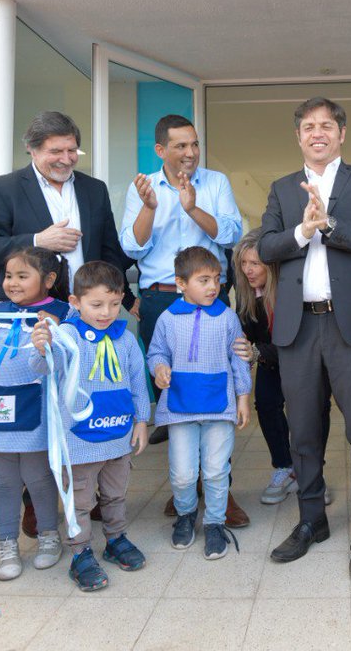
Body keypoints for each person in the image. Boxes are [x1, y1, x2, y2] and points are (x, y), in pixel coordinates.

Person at [259, 96, 351, 579]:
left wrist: (329, 225)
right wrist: (301, 230)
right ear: (298, 136)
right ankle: (311, 521)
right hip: (298, 328)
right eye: (309, 127)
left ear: (341, 134)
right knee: (305, 433)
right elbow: (266, 245)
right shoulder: (280, 188)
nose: (318, 133)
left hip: (350, 324)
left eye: (327, 126)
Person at [119, 114, 242, 466]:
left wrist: (192, 208)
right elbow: (132, 247)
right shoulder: (143, 188)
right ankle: (183, 487)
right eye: (181, 145)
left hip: (208, 298)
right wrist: (149, 208)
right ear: (161, 149)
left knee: (216, 388)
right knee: (171, 395)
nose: (191, 152)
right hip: (160, 299)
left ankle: (221, 486)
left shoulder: (215, 183)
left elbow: (230, 234)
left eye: (195, 144)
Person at [0, 246, 72, 581]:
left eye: (23, 275)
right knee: (4, 480)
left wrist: (53, 337)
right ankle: (7, 544)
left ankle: (49, 535)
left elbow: (68, 362)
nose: (13, 283)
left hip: (36, 412)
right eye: (8, 276)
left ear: (48, 279)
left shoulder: (62, 314)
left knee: (37, 475)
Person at [30, 261, 150, 591]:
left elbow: (138, 383)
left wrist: (141, 421)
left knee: (115, 494)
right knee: (79, 501)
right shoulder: (66, 335)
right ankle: (81, 552)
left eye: (114, 304)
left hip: (118, 437)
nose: (106, 312)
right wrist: (42, 346)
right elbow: (41, 367)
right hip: (80, 442)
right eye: (96, 304)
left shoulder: (125, 339)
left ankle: (116, 539)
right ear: (75, 301)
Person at [147, 247, 251, 560]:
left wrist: (243, 398)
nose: (212, 287)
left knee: (217, 470)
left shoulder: (227, 317)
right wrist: (159, 368)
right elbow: (156, 353)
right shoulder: (167, 319)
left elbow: (239, 360)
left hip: (219, 406)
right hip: (180, 408)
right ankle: (185, 515)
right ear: (181, 283)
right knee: (182, 473)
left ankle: (216, 523)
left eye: (217, 279)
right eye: (203, 280)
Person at [0, 110, 134, 304]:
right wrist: (37, 240)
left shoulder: (95, 189)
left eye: (72, 150)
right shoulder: (3, 189)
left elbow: (109, 252)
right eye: (56, 151)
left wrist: (119, 297)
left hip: (88, 313)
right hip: (31, 314)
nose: (66, 159)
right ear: (32, 150)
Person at [232, 231, 296, 504]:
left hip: (294, 360)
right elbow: (246, 335)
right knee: (267, 406)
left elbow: (291, 341)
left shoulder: (288, 291)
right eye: (244, 263)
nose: (248, 270)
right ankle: (284, 467)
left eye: (254, 263)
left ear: (270, 264)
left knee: (307, 414)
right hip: (268, 362)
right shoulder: (246, 294)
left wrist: (256, 351)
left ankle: (309, 473)